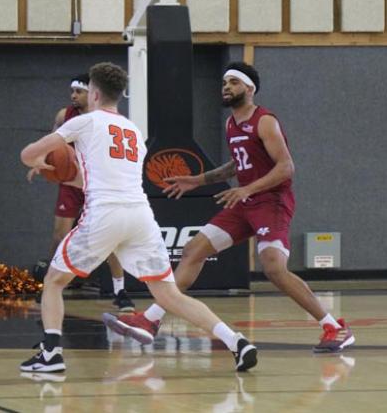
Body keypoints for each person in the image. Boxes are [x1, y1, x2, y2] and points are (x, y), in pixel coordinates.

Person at [19, 62, 257, 373]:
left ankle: (50, 354)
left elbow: (27, 153)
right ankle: (236, 341)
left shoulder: (85, 123)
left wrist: (42, 163)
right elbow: (97, 177)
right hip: (140, 216)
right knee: (168, 294)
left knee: (54, 281)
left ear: (93, 93)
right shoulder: (133, 130)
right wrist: (65, 173)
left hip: (105, 214)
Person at [108, 62, 355, 354]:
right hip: (245, 202)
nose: (226, 87)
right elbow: (238, 165)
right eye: (224, 82)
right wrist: (198, 180)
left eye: (234, 82)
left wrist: (248, 188)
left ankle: (335, 328)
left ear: (249, 88)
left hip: (270, 202)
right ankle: (151, 319)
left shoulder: (265, 121)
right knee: (193, 250)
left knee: (274, 267)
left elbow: (286, 167)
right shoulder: (230, 124)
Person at [48, 74, 134, 312]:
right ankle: (53, 286)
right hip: (71, 181)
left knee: (110, 239)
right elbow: (52, 145)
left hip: (98, 182)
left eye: (79, 91)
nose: (74, 96)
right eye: (72, 91)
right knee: (59, 234)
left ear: (92, 93)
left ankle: (120, 291)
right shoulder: (64, 115)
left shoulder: (106, 118)